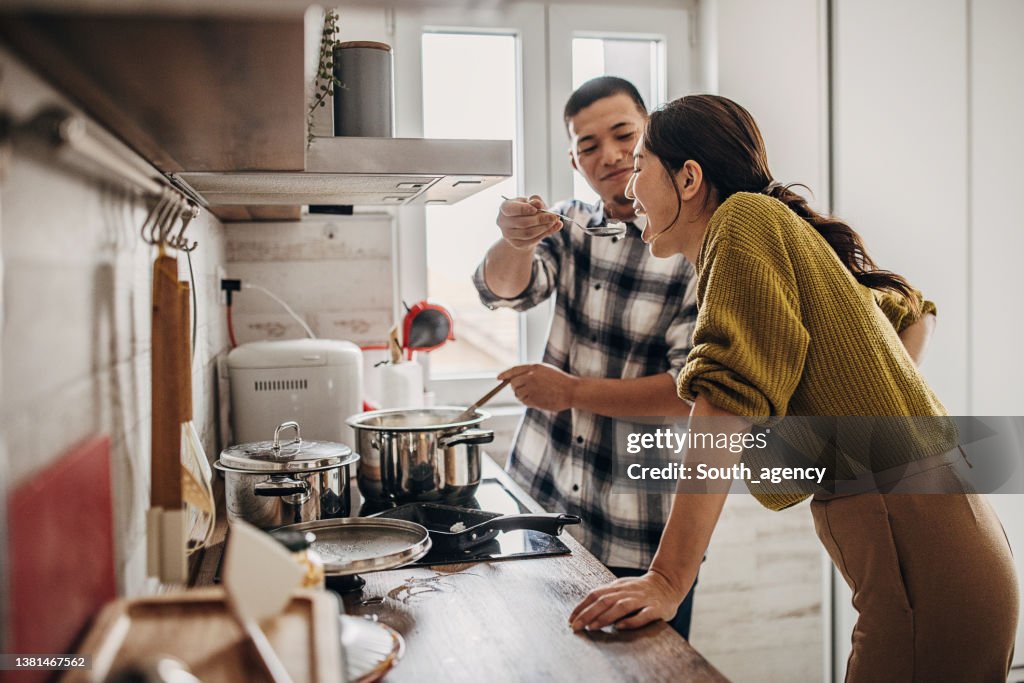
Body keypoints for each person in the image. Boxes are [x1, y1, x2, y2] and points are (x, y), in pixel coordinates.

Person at [569, 94, 1019, 681]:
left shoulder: (742, 222)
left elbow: (723, 403)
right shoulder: (771, 228)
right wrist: (852, 429)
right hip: (952, 545)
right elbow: (910, 311)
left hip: (925, 557)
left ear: (688, 178)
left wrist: (668, 578)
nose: (629, 189)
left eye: (640, 167)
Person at [471, 77, 700, 638]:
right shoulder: (570, 225)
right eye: (588, 145)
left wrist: (570, 392)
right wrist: (516, 240)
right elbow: (502, 290)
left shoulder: (696, 248)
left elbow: (686, 393)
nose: (611, 156)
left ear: (652, 135)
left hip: (640, 530)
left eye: (624, 135)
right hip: (541, 504)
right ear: (574, 161)